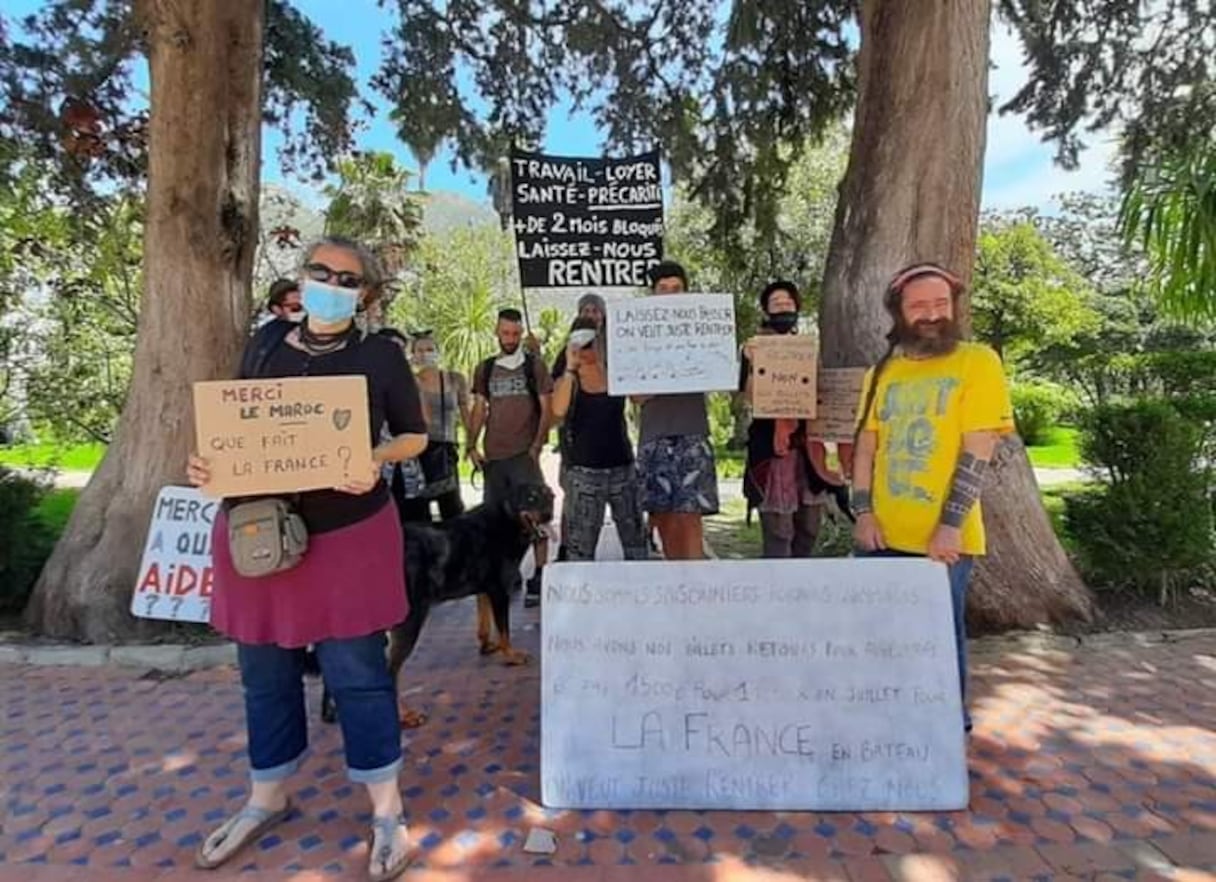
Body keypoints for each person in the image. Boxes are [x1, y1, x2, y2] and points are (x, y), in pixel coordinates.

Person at [187, 236, 428, 881]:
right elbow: (236, 423)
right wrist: (209, 460)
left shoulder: (380, 355)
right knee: (263, 670)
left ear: (365, 295)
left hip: (347, 534)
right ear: (301, 277)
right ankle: (267, 796)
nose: (328, 282)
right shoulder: (266, 341)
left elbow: (414, 435)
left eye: (345, 278)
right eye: (318, 270)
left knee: (357, 672)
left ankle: (387, 812)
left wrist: (373, 460)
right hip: (260, 533)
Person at [850, 261, 1014, 733]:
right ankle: (887, 720)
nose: (931, 314)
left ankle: (944, 728)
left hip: (942, 539)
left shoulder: (978, 362)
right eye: (919, 305)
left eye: (941, 303)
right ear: (899, 311)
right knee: (877, 634)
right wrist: (862, 513)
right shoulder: (881, 373)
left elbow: (978, 449)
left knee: (939, 636)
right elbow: (866, 445)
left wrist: (950, 525)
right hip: (879, 535)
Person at [633, 260, 720, 559]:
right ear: (652, 293)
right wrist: (666, 372)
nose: (670, 294)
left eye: (676, 288)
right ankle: (674, 580)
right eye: (663, 289)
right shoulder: (635, 336)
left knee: (691, 514)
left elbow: (719, 374)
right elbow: (636, 396)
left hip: (693, 432)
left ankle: (694, 582)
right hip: (655, 435)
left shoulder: (704, 331)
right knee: (663, 516)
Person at [467, 307, 554, 605]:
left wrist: (537, 445)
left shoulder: (534, 367)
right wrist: (470, 444)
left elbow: (547, 409)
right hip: (494, 458)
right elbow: (479, 409)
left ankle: (540, 575)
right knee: (496, 520)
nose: (510, 338)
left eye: (515, 334)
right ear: (497, 331)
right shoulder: (486, 368)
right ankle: (504, 575)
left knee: (537, 516)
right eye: (505, 333)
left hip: (523, 456)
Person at [738, 281, 828, 558]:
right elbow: (748, 397)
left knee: (810, 525)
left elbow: (820, 392)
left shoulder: (810, 348)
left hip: (808, 448)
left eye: (788, 304)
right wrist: (753, 363)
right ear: (766, 310)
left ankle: (800, 586)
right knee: (779, 530)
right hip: (772, 449)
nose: (782, 308)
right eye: (776, 304)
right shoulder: (753, 348)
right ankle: (776, 587)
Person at [551, 315, 648, 560]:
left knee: (636, 544)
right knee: (580, 550)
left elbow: (640, 396)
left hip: (622, 468)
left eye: (591, 341)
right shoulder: (569, 377)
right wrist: (571, 367)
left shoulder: (615, 370)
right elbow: (558, 410)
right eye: (579, 341)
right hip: (584, 473)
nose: (586, 348)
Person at [551, 293, 608, 562]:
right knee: (572, 503)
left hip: (612, 448)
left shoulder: (617, 350)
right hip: (574, 445)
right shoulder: (566, 354)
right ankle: (566, 548)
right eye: (585, 309)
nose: (591, 314)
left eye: (596, 310)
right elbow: (555, 401)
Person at [411, 332, 470, 522]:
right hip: (418, 451)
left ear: (437, 351)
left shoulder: (455, 379)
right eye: (419, 350)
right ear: (413, 354)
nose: (425, 354)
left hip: (446, 449)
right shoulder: (410, 381)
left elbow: (465, 413)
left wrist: (472, 443)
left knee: (452, 509)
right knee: (419, 510)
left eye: (429, 349)